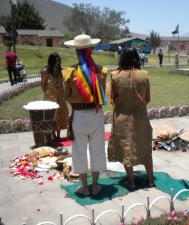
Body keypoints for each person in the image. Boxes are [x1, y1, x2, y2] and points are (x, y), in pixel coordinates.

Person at [63, 34, 108, 196]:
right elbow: (102, 95)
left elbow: (66, 96)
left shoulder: (69, 73)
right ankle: (95, 185)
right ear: (91, 50)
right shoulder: (101, 71)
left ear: (76, 51)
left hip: (79, 116)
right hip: (96, 115)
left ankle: (85, 187)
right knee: (97, 150)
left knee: (79, 151)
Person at [107, 47, 154, 189]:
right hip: (141, 118)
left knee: (127, 149)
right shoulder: (144, 75)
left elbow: (112, 99)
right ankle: (151, 181)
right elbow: (147, 98)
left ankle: (132, 182)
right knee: (145, 148)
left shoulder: (115, 76)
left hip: (123, 118)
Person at [40, 52, 69, 141]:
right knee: (53, 115)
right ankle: (53, 135)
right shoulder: (45, 71)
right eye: (55, 60)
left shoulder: (61, 71)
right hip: (51, 96)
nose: (57, 62)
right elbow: (42, 84)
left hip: (61, 95)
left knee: (62, 113)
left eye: (58, 60)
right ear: (51, 61)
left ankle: (59, 136)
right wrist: (47, 93)